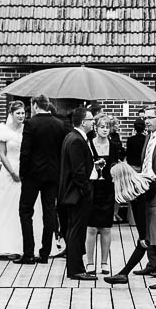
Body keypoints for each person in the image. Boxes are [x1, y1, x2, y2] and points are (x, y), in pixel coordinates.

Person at [107, 104, 156, 283]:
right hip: (149, 190)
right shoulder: (148, 138)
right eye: (144, 118)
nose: (146, 121)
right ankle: (153, 269)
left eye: (149, 118)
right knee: (151, 241)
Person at [19, 96, 69, 263]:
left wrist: (22, 173)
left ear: (34, 105)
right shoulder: (60, 124)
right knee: (49, 212)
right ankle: (45, 253)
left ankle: (28, 253)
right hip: (53, 175)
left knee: (26, 211)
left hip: (32, 175)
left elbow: (25, 152)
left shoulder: (31, 124)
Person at [57, 105, 97, 280]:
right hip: (76, 194)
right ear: (83, 122)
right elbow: (77, 171)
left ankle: (76, 267)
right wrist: (87, 191)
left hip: (73, 193)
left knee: (76, 230)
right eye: (91, 120)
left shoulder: (73, 138)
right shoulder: (76, 140)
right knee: (76, 231)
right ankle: (75, 269)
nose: (93, 122)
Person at [0, 102, 30, 260]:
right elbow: (2, 154)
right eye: (18, 113)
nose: (21, 116)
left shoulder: (27, 129)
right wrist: (12, 172)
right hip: (8, 171)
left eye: (23, 113)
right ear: (11, 113)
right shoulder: (3, 130)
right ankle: (5, 244)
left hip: (25, 170)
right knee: (6, 207)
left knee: (24, 207)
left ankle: (26, 244)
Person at [86, 113, 123, 278]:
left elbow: (116, 167)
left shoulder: (114, 146)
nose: (104, 130)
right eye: (102, 126)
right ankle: (89, 262)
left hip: (108, 189)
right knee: (92, 228)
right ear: (95, 127)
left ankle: (104, 262)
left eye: (107, 127)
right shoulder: (89, 145)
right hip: (93, 189)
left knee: (107, 228)